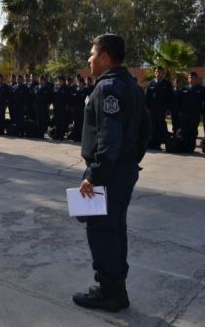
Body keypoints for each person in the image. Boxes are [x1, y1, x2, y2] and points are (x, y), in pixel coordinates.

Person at [74, 34, 150, 313]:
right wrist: (130, 161)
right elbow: (146, 131)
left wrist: (94, 175)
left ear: (105, 57)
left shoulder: (108, 88)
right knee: (115, 229)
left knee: (103, 231)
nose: (89, 60)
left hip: (108, 172)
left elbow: (109, 139)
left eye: (92, 54)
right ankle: (115, 288)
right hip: (123, 169)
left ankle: (110, 293)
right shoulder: (131, 85)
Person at [146, 66, 173, 150]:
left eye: (159, 72)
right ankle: (152, 144)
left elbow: (170, 97)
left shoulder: (167, 83)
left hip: (162, 109)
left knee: (160, 126)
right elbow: (147, 97)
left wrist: (168, 109)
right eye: (156, 72)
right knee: (152, 126)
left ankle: (160, 143)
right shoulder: (150, 83)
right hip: (152, 109)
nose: (157, 73)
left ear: (163, 73)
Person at [177, 72, 205, 152]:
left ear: (196, 79)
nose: (191, 79)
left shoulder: (201, 89)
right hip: (184, 114)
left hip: (195, 114)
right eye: (189, 78)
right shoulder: (183, 89)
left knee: (193, 131)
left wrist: (201, 112)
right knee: (184, 131)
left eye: (192, 78)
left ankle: (191, 148)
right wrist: (179, 111)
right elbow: (178, 101)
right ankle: (184, 147)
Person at [69, 76, 91, 142]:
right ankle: (76, 137)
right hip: (76, 109)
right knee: (76, 123)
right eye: (77, 82)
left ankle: (81, 137)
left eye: (78, 82)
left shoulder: (86, 89)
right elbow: (72, 99)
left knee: (81, 123)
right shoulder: (75, 89)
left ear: (81, 82)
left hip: (82, 109)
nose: (77, 83)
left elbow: (88, 100)